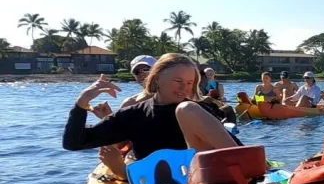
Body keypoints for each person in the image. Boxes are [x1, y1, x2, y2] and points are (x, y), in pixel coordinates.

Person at [63, 53, 237, 166]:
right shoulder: (134, 114)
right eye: (178, 81)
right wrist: (82, 102)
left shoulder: (197, 110)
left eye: (189, 83)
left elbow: (236, 148)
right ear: (157, 78)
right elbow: (74, 142)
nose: (184, 88)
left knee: (187, 108)